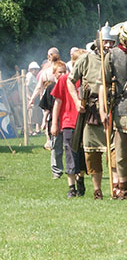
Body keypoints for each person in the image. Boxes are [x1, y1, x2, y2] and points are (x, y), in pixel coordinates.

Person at [69, 25, 116, 199]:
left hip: (113, 108)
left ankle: (117, 188)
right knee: (91, 152)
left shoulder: (116, 58)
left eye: (112, 42)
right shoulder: (86, 60)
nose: (109, 46)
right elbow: (70, 80)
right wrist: (76, 101)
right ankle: (97, 189)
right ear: (99, 42)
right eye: (106, 42)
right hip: (91, 110)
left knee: (114, 151)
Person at [100, 20, 127, 200]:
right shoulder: (112, 56)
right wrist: (103, 109)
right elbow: (104, 83)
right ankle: (123, 186)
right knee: (121, 150)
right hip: (121, 105)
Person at [51, 50, 86, 197]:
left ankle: (81, 180)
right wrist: (54, 123)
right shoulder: (64, 79)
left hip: (84, 122)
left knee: (84, 154)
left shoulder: (87, 79)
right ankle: (71, 187)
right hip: (68, 122)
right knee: (70, 154)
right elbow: (57, 102)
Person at [46, 61, 68, 180]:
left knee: (70, 147)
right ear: (54, 73)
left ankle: (73, 169)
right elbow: (47, 108)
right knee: (56, 148)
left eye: (65, 71)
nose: (63, 74)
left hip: (67, 120)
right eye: (60, 72)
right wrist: (47, 124)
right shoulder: (50, 88)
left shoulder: (69, 85)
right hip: (55, 122)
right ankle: (57, 171)